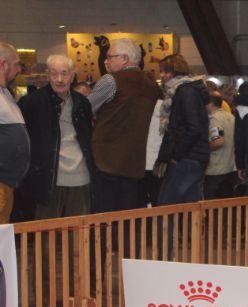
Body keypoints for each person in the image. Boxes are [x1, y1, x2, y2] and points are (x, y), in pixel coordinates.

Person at [87, 38, 162, 212]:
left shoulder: (111, 81)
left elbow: (84, 109)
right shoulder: (152, 86)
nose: (106, 61)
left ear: (125, 59)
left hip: (105, 161)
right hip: (135, 164)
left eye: (110, 57)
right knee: (128, 219)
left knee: (104, 217)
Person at [17, 53, 94, 219]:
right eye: (53, 73)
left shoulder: (82, 103)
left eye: (64, 73)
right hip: (47, 179)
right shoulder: (31, 103)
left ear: (73, 75)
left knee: (79, 234)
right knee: (46, 235)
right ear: (47, 75)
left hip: (81, 177)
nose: (59, 79)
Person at [155, 55, 209, 205]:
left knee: (167, 207)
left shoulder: (185, 92)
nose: (162, 75)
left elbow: (194, 127)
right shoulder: (188, 90)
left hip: (187, 158)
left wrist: (176, 155)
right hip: (193, 157)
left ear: (176, 71)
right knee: (189, 207)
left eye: (166, 71)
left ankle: (169, 230)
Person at [0, 41, 29, 223]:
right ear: (3, 64)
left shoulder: (5, 93)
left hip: (7, 184)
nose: (19, 69)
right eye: (17, 64)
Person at [204, 90, 236, 199]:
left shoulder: (214, 119)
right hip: (231, 167)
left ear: (211, 103)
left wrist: (203, 148)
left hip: (216, 170)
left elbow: (218, 141)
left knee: (213, 207)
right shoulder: (230, 116)